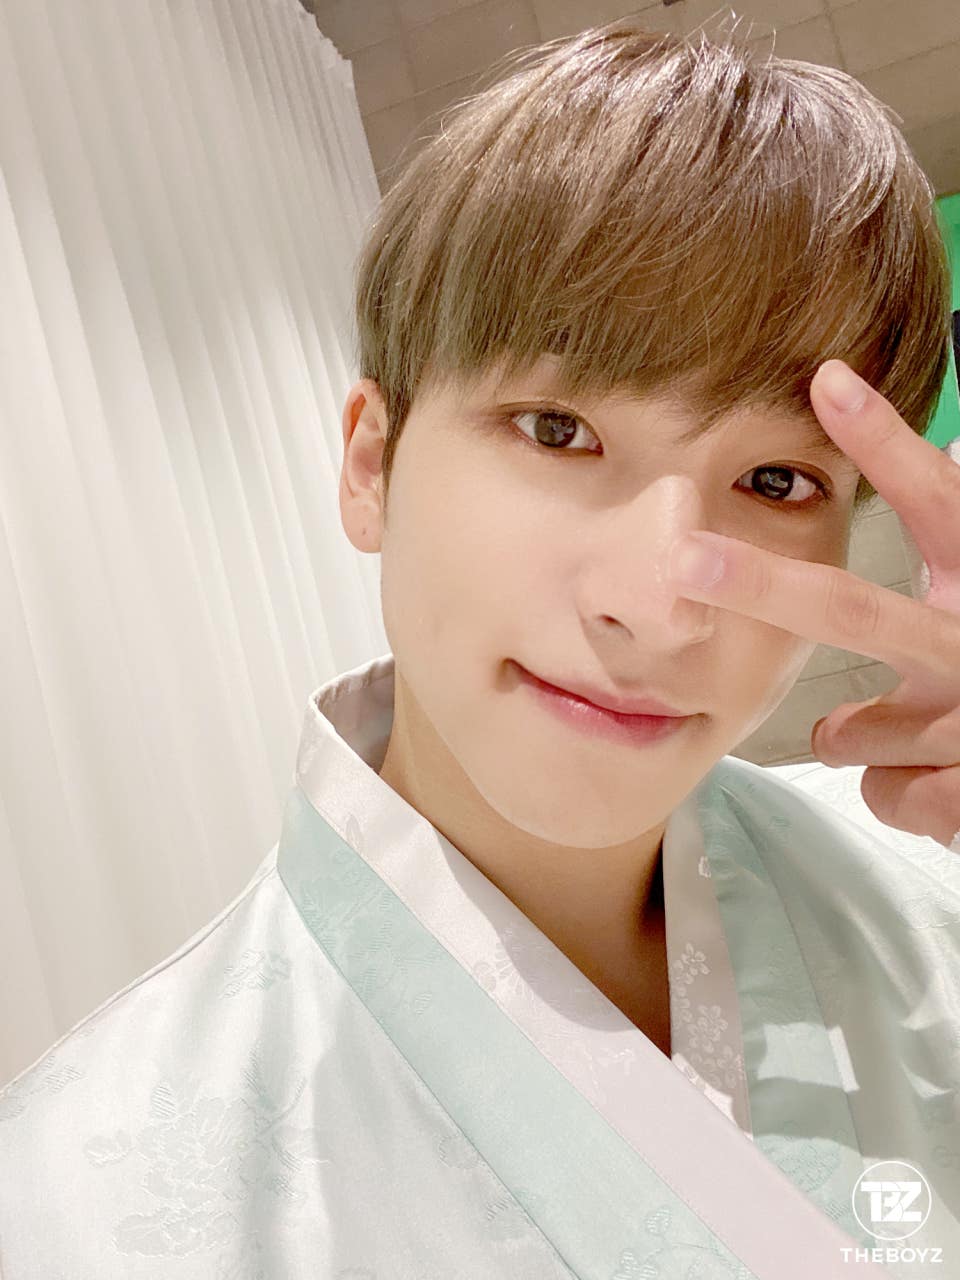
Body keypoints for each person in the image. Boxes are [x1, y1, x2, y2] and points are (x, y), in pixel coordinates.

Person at [1, 17, 959, 1280]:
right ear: (373, 463)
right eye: (558, 429)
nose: (660, 606)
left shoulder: (932, 890)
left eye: (777, 479)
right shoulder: (76, 1202)